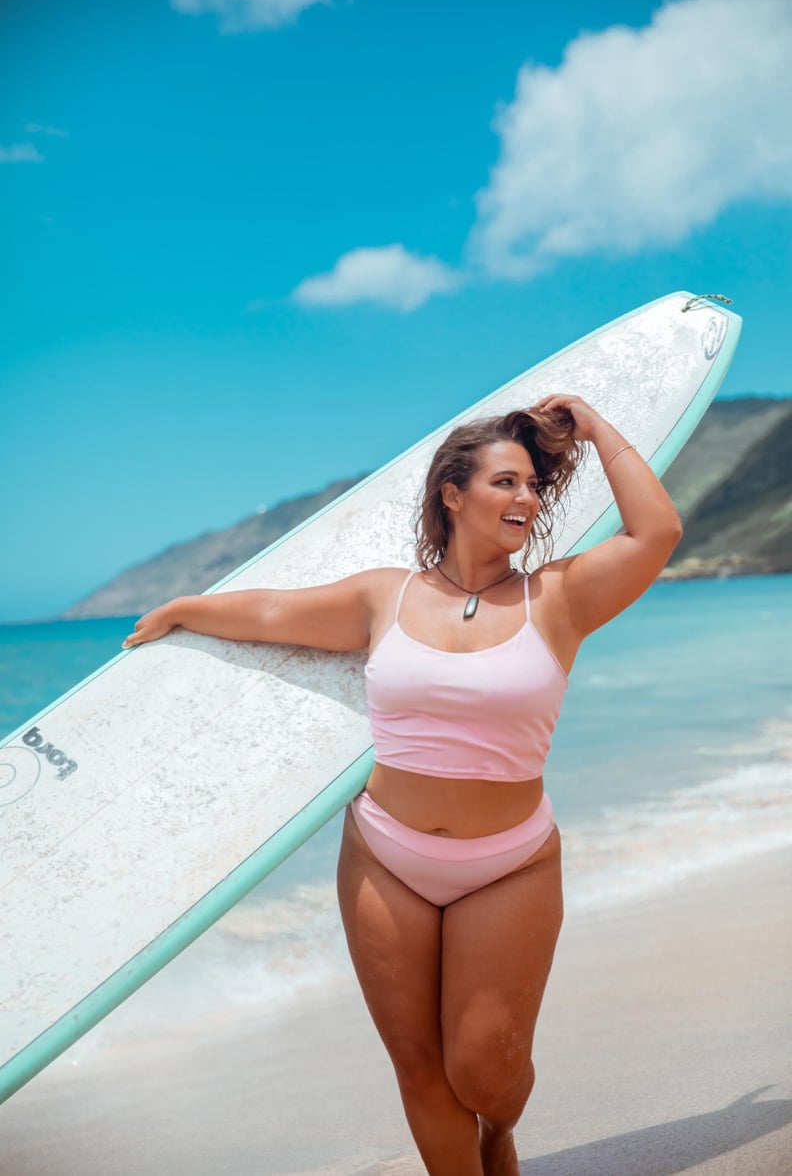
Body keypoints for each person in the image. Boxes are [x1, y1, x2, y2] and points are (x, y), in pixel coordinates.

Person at [123, 394, 682, 1176]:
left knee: (484, 1072)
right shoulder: (384, 596)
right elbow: (277, 611)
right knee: (419, 1069)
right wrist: (185, 608)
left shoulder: (557, 598)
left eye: (532, 486)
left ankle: (500, 1129)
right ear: (452, 494)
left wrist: (590, 426)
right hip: (387, 857)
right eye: (504, 483)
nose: (525, 498)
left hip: (509, 863)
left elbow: (657, 533)